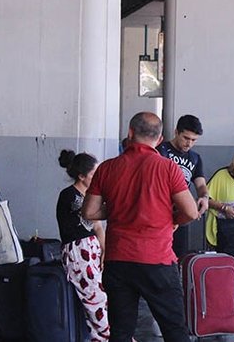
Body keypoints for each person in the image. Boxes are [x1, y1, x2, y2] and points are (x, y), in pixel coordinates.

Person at [82, 112, 207, 341]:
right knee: (174, 331)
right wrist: (171, 220)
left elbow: (89, 212)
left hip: (118, 261)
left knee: (120, 332)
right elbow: (190, 212)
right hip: (157, 261)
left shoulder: (107, 168)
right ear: (160, 140)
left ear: (130, 133)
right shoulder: (168, 168)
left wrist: (121, 208)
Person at [56, 150, 109, 341]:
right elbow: (92, 215)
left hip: (91, 249)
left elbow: (98, 227)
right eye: (94, 174)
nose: (97, 179)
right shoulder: (70, 195)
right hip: (78, 252)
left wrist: (104, 250)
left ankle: (102, 337)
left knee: (101, 296)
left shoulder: (91, 196)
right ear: (81, 176)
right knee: (95, 299)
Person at [157, 114, 210, 256]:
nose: (189, 143)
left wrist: (204, 197)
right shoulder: (161, 151)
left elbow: (200, 185)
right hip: (160, 211)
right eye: (186, 138)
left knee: (179, 255)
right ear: (176, 132)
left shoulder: (195, 158)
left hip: (181, 213)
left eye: (194, 140)